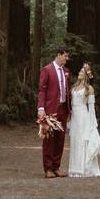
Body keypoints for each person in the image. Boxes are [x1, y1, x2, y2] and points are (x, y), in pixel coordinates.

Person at [37, 47, 71, 178]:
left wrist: (70, 110)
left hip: (63, 109)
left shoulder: (66, 71)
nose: (67, 59)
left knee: (60, 139)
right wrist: (41, 108)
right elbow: (42, 90)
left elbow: (67, 92)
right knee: (49, 139)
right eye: (65, 56)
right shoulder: (47, 70)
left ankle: (56, 166)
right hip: (50, 110)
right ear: (59, 55)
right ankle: (48, 168)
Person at [67, 62, 100, 177]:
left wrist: (92, 124)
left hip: (84, 117)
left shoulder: (89, 89)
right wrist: (69, 118)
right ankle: (74, 168)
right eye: (80, 71)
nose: (79, 73)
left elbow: (91, 108)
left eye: (82, 71)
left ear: (86, 75)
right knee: (75, 140)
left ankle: (83, 168)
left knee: (82, 141)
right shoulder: (74, 87)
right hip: (75, 117)